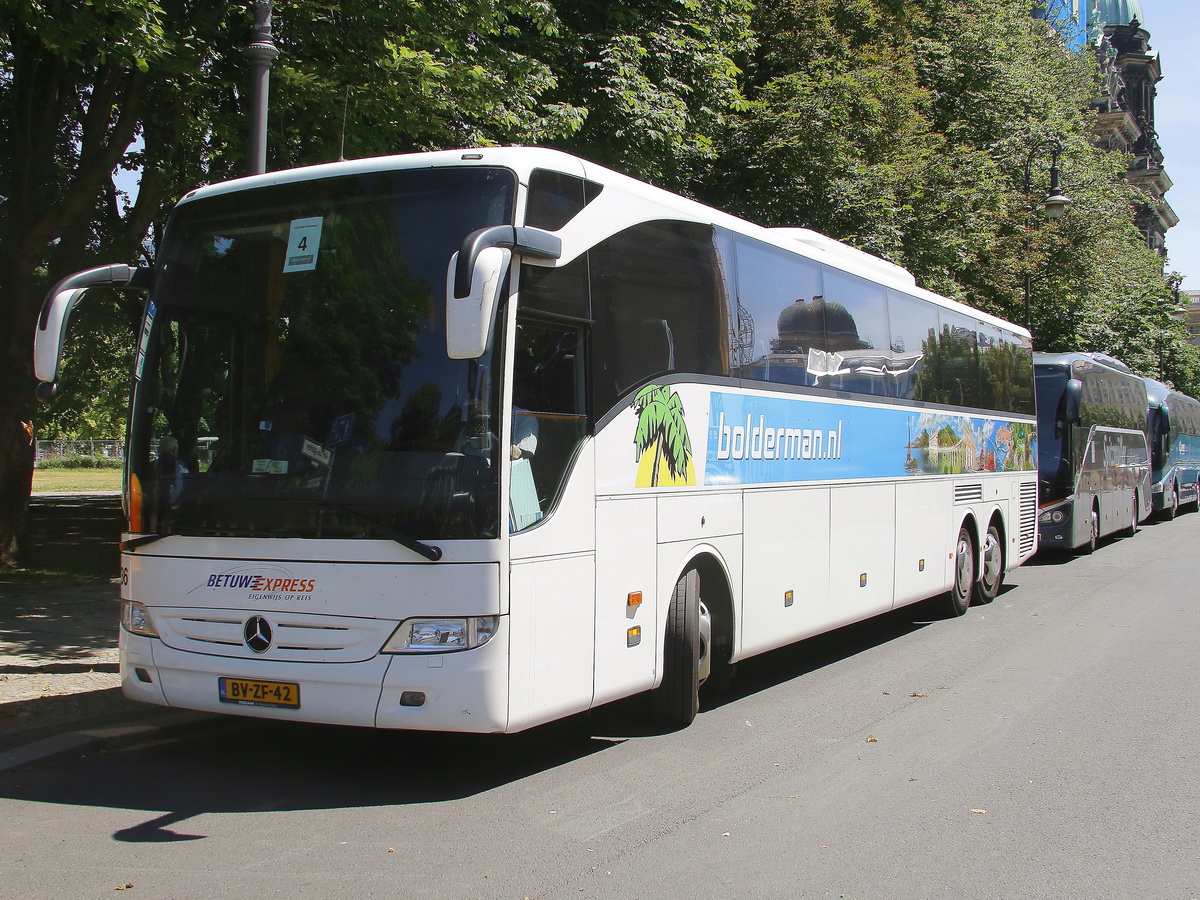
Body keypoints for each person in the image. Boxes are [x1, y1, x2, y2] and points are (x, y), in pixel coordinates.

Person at [154, 435, 189, 504]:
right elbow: (183, 484)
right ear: (174, 449)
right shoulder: (180, 465)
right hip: (173, 502)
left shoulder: (152, 465)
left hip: (157, 502)